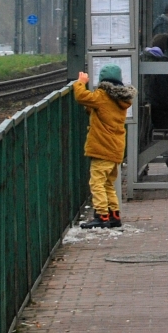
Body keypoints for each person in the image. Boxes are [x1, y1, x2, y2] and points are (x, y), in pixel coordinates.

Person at [72, 64, 135, 229]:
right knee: (108, 183)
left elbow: (81, 96)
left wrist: (80, 82)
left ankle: (102, 215)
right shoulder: (120, 99)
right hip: (115, 148)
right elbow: (102, 111)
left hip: (102, 148)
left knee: (97, 183)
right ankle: (114, 215)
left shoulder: (101, 96)